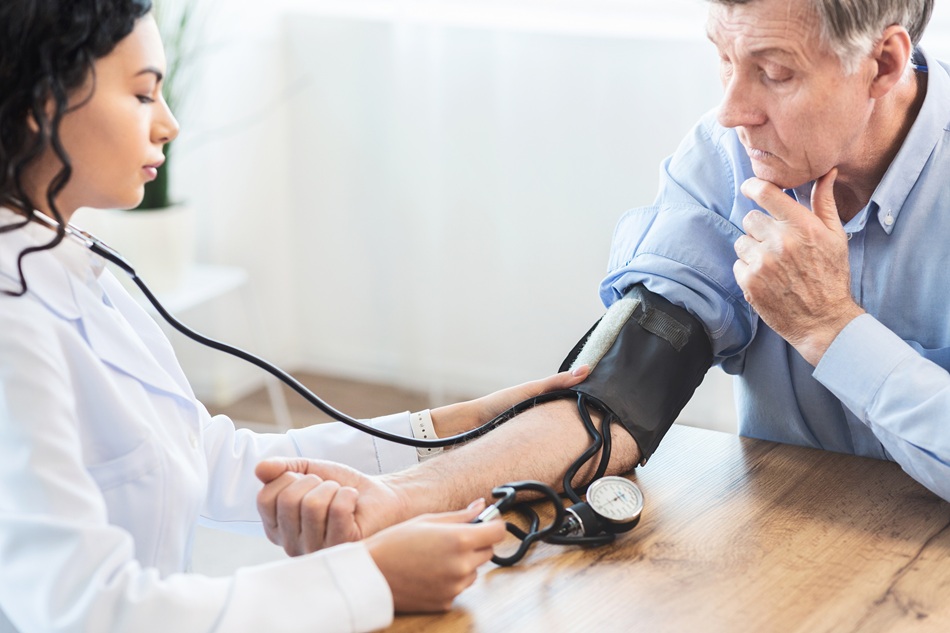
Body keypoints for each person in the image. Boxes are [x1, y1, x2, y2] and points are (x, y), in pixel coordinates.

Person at [254, 0, 950, 556]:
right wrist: (403, 495)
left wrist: (832, 327)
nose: (735, 110)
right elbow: (615, 396)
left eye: (774, 73)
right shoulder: (725, 160)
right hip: (790, 545)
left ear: (883, 61)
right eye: (724, 58)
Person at [0, 1, 591, 631]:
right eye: (144, 95)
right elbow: (86, 608)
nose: (169, 125)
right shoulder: (14, 323)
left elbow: (211, 458)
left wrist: (456, 424)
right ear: (43, 103)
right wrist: (371, 578)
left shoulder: (70, 265)